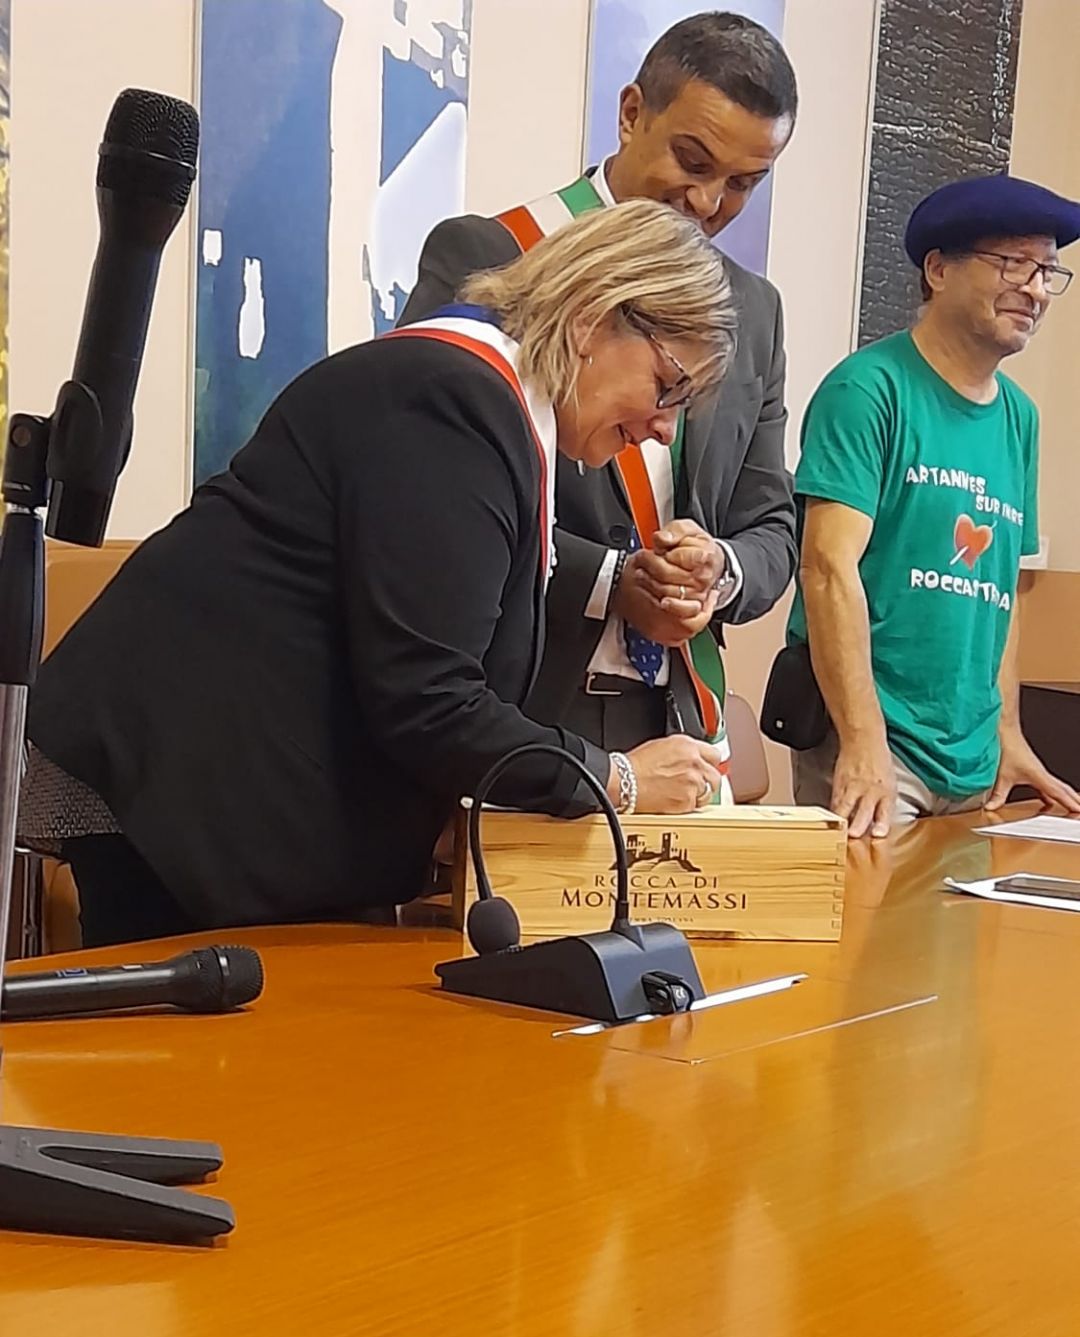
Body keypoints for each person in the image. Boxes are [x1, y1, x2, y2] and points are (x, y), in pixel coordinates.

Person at [23, 201, 737, 959]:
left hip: (222, 791)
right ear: (593, 318)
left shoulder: (479, 401)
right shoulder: (453, 403)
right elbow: (429, 698)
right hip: (180, 787)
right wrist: (616, 779)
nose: (664, 427)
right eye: (668, 386)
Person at [402, 9, 798, 770]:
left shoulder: (754, 310)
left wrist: (718, 570)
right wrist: (613, 581)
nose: (708, 201)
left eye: (743, 184)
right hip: (521, 706)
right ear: (631, 114)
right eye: (692, 160)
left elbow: (771, 523)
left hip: (681, 715)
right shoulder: (497, 255)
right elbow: (428, 495)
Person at [784, 174, 1080, 837]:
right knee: (867, 908)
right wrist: (863, 743)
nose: (1035, 290)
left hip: (975, 762)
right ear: (939, 270)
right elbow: (827, 569)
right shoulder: (868, 390)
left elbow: (1001, 592)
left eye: (1047, 271)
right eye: (1013, 264)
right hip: (878, 753)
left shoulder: (1020, 419)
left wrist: (1008, 733)